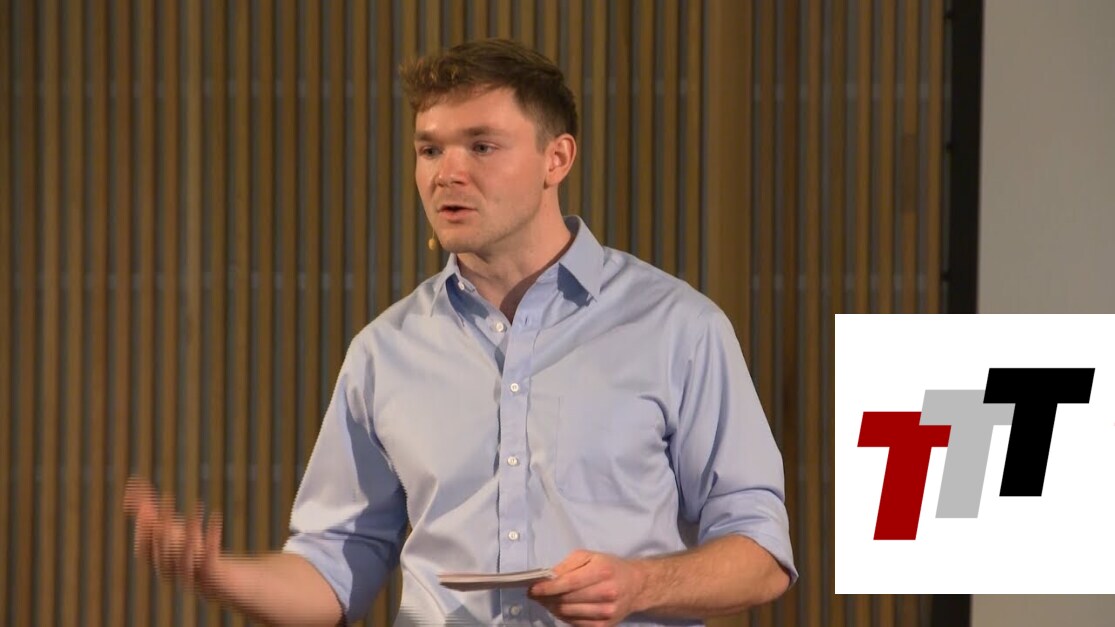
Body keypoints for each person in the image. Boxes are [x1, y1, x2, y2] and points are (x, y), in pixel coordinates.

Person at [125, 38, 795, 626]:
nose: (447, 172)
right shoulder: (383, 352)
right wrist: (218, 575)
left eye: (481, 146)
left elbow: (761, 554)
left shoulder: (678, 327)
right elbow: (332, 571)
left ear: (556, 158)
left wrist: (640, 584)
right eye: (429, 149)